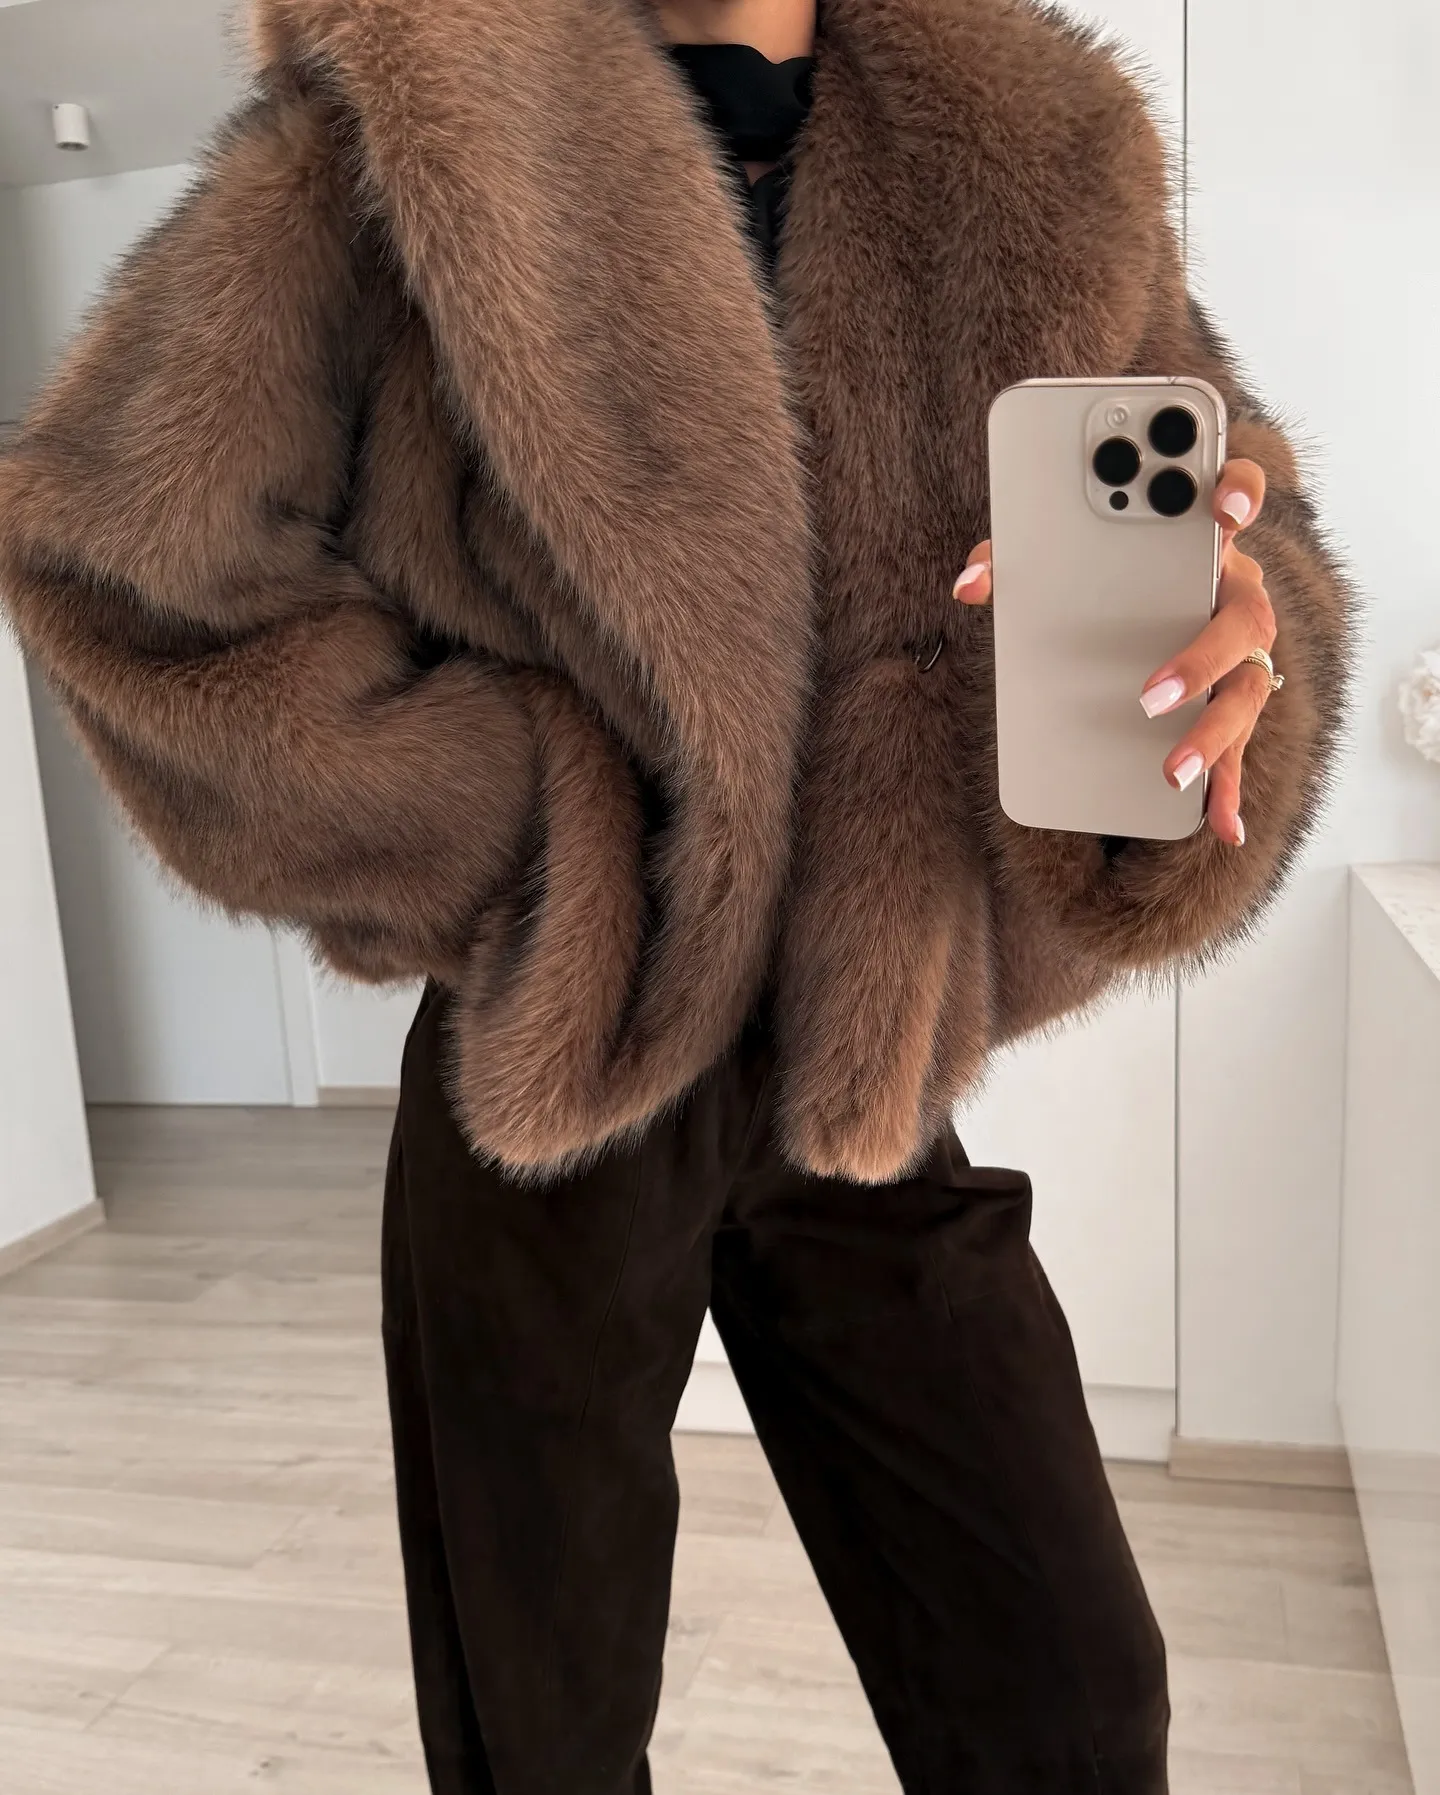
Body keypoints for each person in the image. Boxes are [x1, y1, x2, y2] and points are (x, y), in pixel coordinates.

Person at [0, 0, 1349, 1788]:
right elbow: (125, 569)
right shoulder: (398, 117)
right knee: (537, 1740)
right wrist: (542, 828)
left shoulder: (1042, 157)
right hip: (560, 1063)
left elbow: (1256, 538)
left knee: (1074, 1701)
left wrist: (1238, 645)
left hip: (865, 1065)